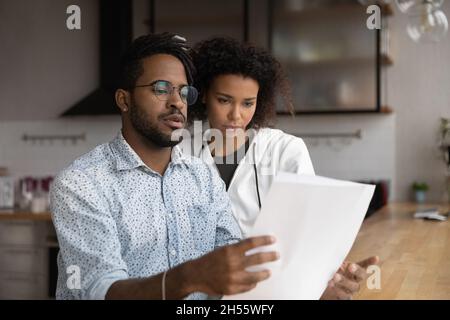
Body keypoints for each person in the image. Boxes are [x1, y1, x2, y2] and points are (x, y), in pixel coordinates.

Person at [50, 33, 279, 300]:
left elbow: (239, 268)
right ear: (124, 100)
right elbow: (102, 291)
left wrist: (317, 288)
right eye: (161, 88)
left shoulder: (204, 177)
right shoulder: (82, 183)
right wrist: (190, 277)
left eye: (183, 92)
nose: (177, 102)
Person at [186, 37, 379, 300]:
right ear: (205, 94)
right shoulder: (180, 150)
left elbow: (307, 232)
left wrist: (326, 283)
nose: (236, 115)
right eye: (224, 100)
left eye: (247, 103)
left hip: (268, 291)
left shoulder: (285, 150)